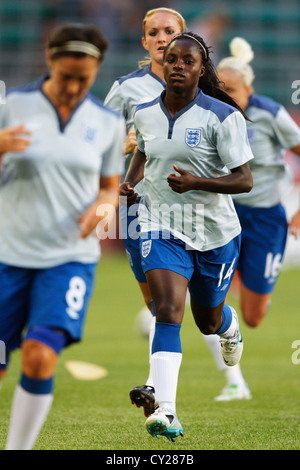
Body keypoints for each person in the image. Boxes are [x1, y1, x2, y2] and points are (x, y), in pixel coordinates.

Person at [120, 32, 254, 441]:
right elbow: (144, 149)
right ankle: (168, 411)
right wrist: (129, 183)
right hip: (161, 226)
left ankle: (229, 327)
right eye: (172, 59)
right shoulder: (144, 112)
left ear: (201, 69)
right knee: (167, 310)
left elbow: (244, 181)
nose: (178, 65)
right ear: (163, 65)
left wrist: (198, 181)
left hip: (215, 234)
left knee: (207, 321)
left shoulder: (221, 117)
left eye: (188, 61)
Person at [0, 23, 125, 450]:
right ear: (49, 61)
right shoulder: (12, 104)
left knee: (39, 354)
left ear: (96, 71)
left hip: (69, 257)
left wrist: (106, 205)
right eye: (65, 75)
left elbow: (110, 184)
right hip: (8, 255)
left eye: (83, 79)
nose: (73, 86)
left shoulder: (106, 123)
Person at [201, 37, 300, 402]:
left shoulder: (269, 113)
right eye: (220, 88)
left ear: (249, 88)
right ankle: (235, 382)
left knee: (254, 316)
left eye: (233, 89)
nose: (226, 94)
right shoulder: (208, 114)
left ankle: (255, 289)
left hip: (265, 219)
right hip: (223, 215)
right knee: (210, 299)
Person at [104, 7, 186, 417]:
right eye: (153, 32)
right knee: (160, 307)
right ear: (144, 42)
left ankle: (160, 395)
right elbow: (99, 142)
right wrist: (122, 144)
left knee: (189, 307)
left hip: (190, 212)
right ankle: (161, 397)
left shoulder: (206, 87)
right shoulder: (126, 89)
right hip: (140, 209)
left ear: (182, 36)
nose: (160, 37)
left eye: (168, 31)